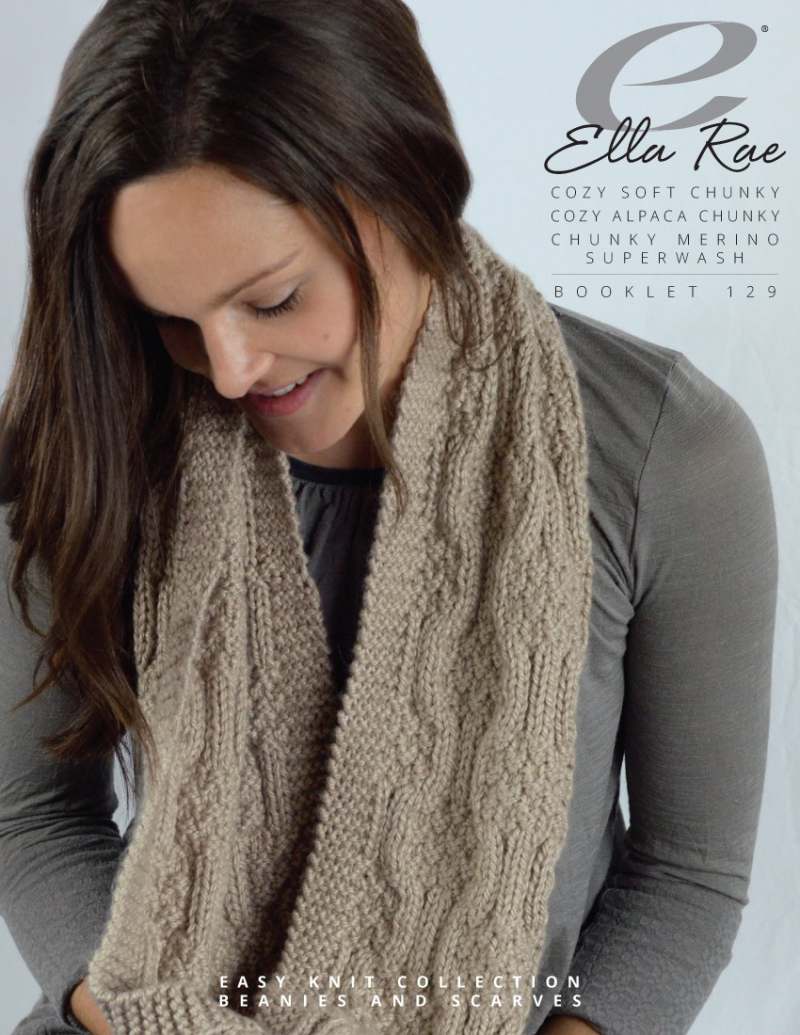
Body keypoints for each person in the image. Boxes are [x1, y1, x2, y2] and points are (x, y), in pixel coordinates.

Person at [0, 2, 778, 1034]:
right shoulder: (96, 428)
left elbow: (684, 876)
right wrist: (137, 1021)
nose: (227, 370)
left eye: (273, 299)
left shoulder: (663, 451)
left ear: (406, 193)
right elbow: (34, 815)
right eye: (170, 318)